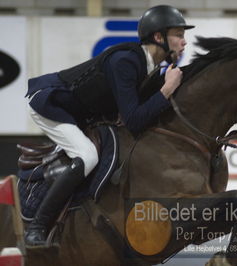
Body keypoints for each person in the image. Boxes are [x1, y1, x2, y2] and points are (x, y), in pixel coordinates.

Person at [24, 5, 194, 247]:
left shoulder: (151, 67)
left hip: (79, 110)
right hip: (49, 103)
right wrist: (166, 90)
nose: (184, 42)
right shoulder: (125, 61)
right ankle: (37, 228)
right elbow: (135, 120)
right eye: (179, 35)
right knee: (87, 156)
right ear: (159, 37)